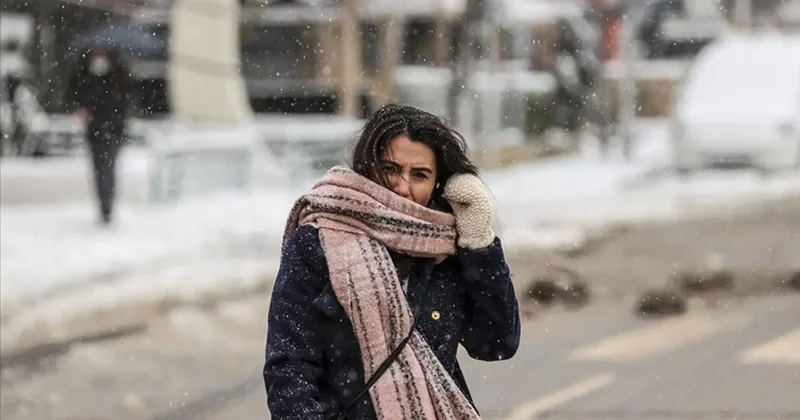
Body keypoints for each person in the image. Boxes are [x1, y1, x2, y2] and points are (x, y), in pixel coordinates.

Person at [264, 104, 521, 419]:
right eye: (389, 168)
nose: (402, 186)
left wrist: (478, 241)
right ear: (366, 168)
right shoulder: (318, 242)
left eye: (419, 175)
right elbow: (289, 368)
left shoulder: (446, 251)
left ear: (437, 184)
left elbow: (496, 343)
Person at [64, 45, 131, 225]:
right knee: (100, 169)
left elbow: (124, 102)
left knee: (106, 169)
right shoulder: (85, 75)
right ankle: (104, 205)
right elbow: (74, 95)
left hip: (113, 131)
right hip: (96, 131)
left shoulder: (117, 76)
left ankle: (107, 206)